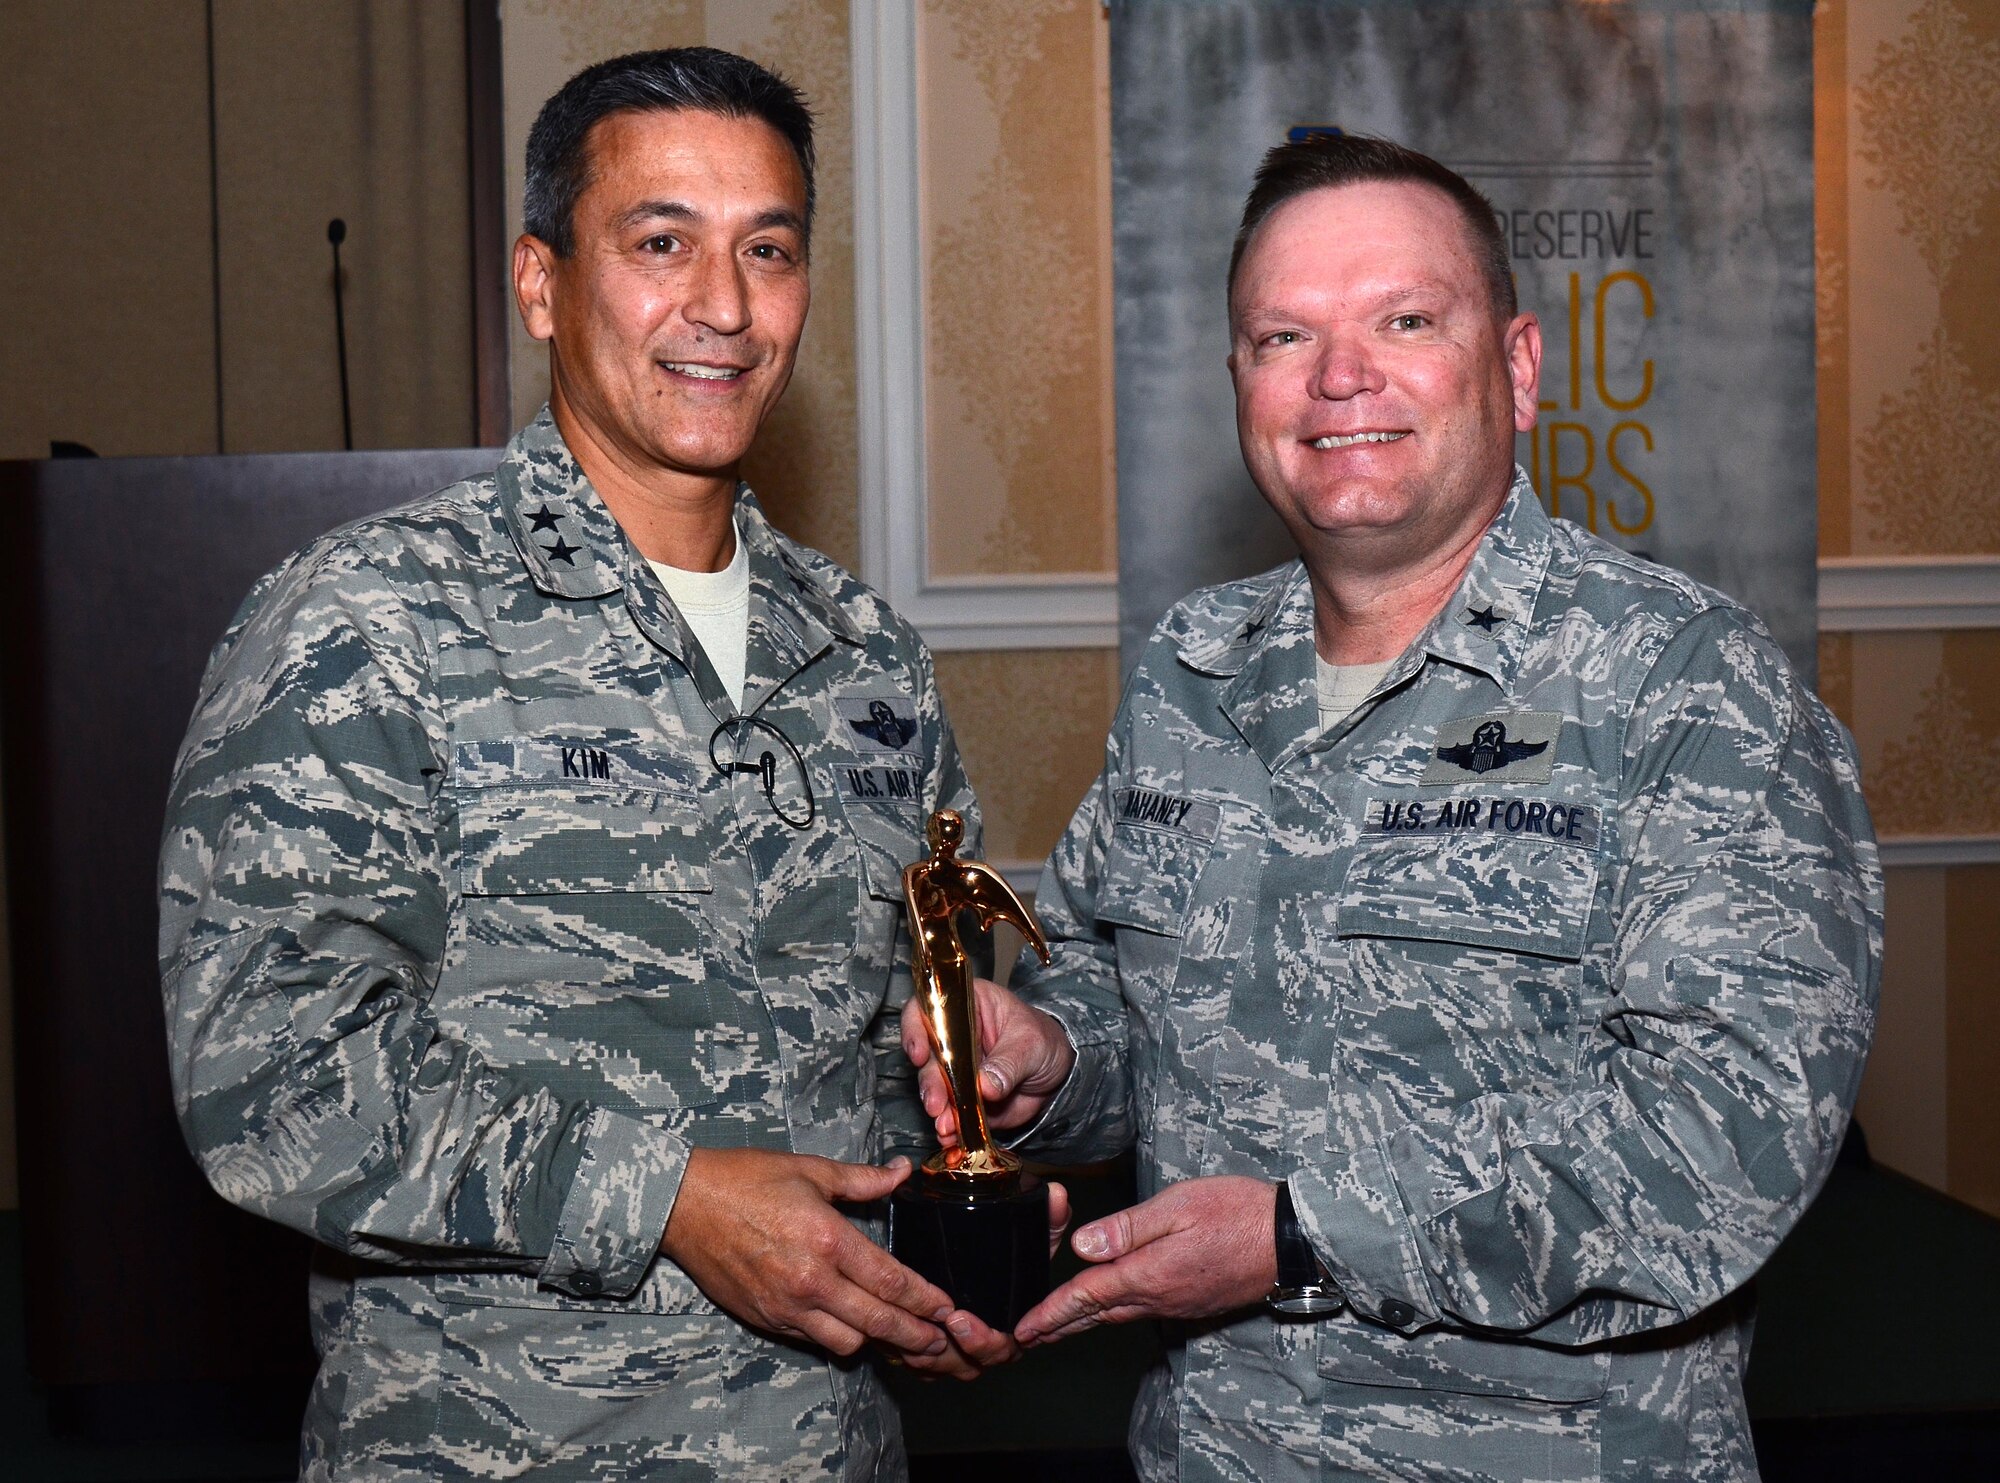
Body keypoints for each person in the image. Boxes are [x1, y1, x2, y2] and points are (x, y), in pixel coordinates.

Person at [905, 135, 1881, 1482]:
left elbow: (1726, 1136)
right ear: (1241, 383)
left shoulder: (1685, 684)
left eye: (1405, 322)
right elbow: (1119, 1000)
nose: (1340, 377)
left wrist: (1305, 1236)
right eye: (1283, 335)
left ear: (1521, 368)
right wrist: (1045, 1061)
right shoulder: (1196, 675)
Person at [160, 47, 1031, 1481]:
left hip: (828, 1447)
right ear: (542, 282)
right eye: (661, 243)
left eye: (769, 249)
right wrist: (667, 1199)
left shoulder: (865, 657)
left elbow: (899, 1046)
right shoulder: (370, 623)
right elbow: (265, 1076)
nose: (727, 308)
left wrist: (951, 1191)